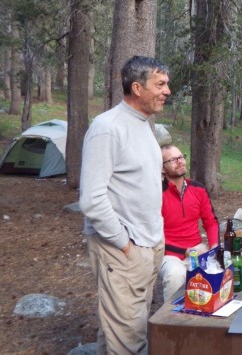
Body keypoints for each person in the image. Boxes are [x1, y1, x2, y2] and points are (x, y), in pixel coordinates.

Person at [79, 55, 170, 355]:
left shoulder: (144, 126)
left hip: (148, 245)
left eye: (166, 83)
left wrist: (155, 238)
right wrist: (123, 244)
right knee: (130, 339)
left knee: (122, 331)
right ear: (137, 88)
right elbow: (92, 199)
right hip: (122, 249)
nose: (167, 91)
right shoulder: (108, 127)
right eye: (160, 84)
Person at [160, 144, 220, 303]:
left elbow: (211, 222)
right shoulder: (157, 194)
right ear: (162, 169)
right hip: (169, 255)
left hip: (198, 250)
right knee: (175, 275)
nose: (179, 162)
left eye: (180, 157)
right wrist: (185, 250)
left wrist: (214, 246)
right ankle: (171, 321)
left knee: (219, 273)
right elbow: (153, 236)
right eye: (172, 160)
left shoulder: (198, 189)